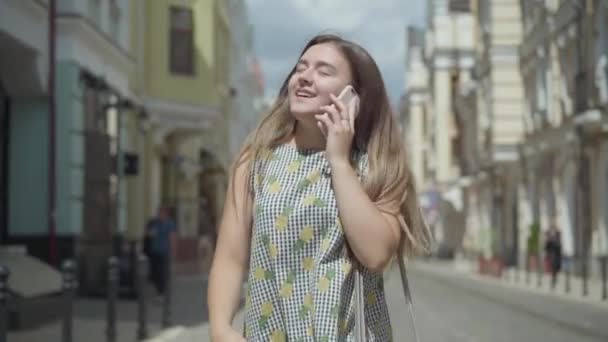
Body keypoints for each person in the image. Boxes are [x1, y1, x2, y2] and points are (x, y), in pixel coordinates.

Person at [208, 34, 432, 341]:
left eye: (324, 71)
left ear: (354, 96)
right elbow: (231, 256)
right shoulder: (257, 160)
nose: (304, 78)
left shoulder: (378, 166)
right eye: (301, 68)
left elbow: (376, 254)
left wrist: (338, 160)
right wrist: (220, 329)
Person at [145, 206, 177, 296]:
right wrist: (150, 233)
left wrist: (173, 251)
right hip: (154, 252)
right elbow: (149, 234)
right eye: (159, 213)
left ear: (166, 214)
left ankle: (163, 291)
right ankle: (159, 289)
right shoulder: (155, 223)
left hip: (164, 252)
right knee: (155, 272)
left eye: (162, 213)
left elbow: (172, 238)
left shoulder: (169, 224)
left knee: (163, 272)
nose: (160, 215)